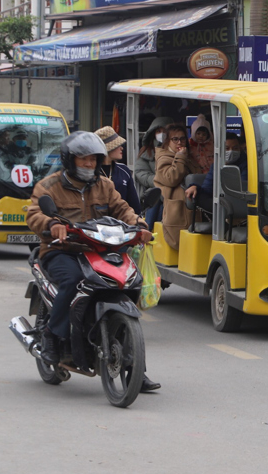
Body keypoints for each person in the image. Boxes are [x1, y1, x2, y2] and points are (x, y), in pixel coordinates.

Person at [25, 131, 159, 391]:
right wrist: (52, 224)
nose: (88, 164)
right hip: (61, 249)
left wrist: (140, 225)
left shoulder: (105, 185)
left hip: (99, 249)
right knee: (74, 280)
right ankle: (53, 335)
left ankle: (135, 369)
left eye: (93, 160)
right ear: (69, 159)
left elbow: (123, 209)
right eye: (82, 159)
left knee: (128, 282)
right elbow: (33, 213)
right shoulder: (49, 186)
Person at [155, 123, 201, 250]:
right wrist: (180, 157)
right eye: (175, 139)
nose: (179, 142)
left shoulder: (188, 157)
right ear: (167, 141)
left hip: (191, 206)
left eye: (182, 139)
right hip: (176, 210)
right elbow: (172, 178)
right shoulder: (164, 158)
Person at [136, 116, 173, 226]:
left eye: (164, 130)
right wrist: (161, 182)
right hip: (154, 194)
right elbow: (141, 173)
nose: (161, 134)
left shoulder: (177, 150)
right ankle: (147, 228)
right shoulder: (146, 153)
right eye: (158, 131)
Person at [95, 126, 141, 213]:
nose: (121, 148)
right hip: (97, 223)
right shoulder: (91, 172)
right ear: (108, 148)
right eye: (117, 145)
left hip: (123, 222)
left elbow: (134, 205)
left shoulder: (124, 170)